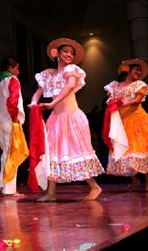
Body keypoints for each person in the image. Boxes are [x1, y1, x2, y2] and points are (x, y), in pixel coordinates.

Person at [29, 38, 104, 201]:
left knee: (76, 150)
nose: (69, 54)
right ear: (57, 53)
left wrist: (53, 102)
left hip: (71, 117)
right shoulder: (48, 74)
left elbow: (69, 87)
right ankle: (51, 193)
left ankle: (94, 186)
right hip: (56, 118)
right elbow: (38, 91)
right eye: (66, 51)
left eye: (72, 52)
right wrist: (33, 103)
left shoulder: (71, 70)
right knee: (52, 153)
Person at [104, 59, 148, 191]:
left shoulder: (139, 85)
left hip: (138, 121)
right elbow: (109, 98)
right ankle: (134, 179)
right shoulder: (114, 85)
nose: (138, 72)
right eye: (136, 69)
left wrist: (121, 103)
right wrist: (112, 102)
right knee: (127, 151)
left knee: (141, 149)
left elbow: (137, 100)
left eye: (139, 70)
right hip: (122, 122)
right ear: (127, 70)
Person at [0, 57, 26, 197]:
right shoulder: (12, 80)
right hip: (9, 119)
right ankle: (9, 189)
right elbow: (13, 100)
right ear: (11, 68)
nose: (18, 71)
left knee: (6, 152)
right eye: (17, 68)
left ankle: (2, 183)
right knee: (12, 153)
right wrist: (15, 117)